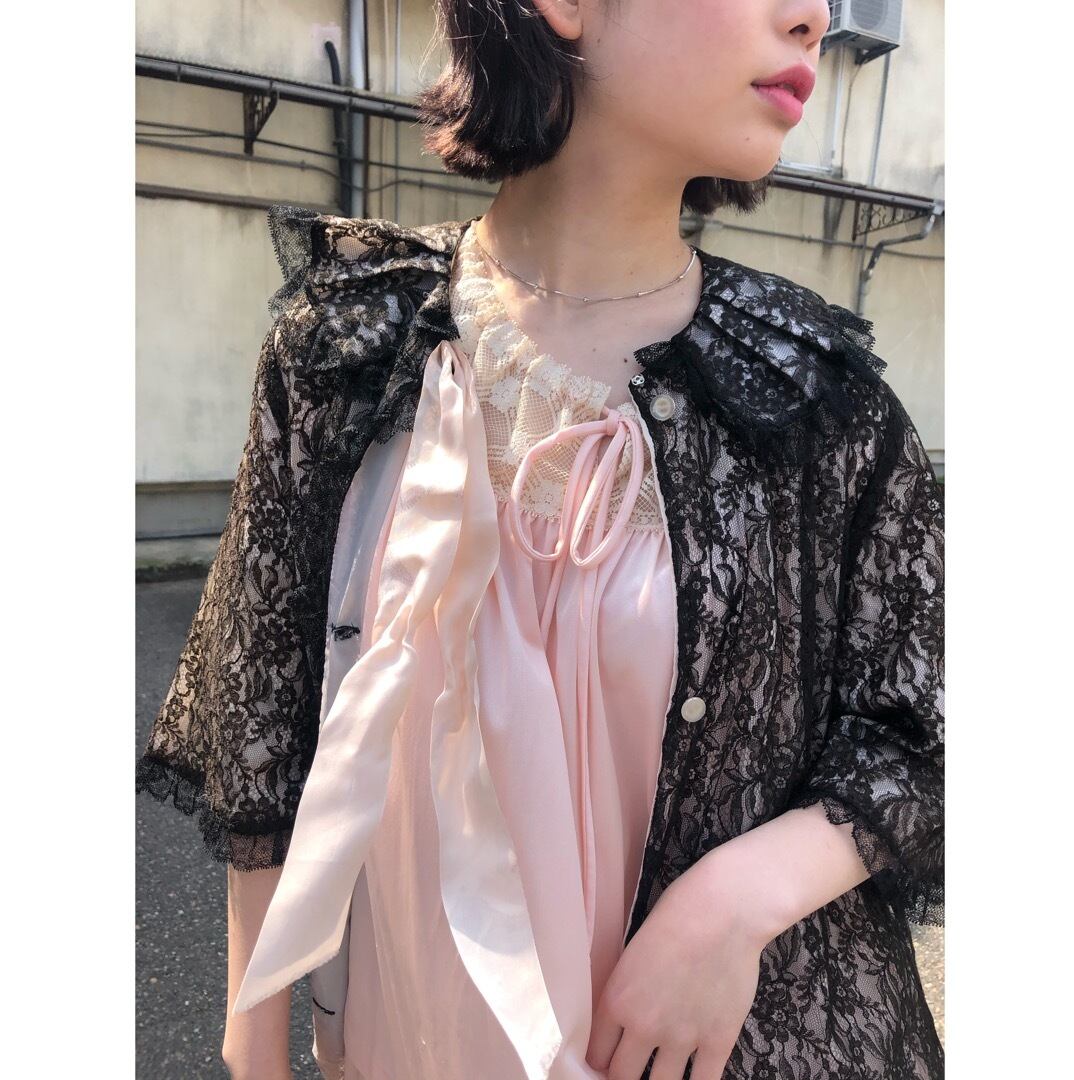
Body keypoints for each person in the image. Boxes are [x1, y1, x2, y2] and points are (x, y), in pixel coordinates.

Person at [136, 2, 945, 1079]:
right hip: (409, 1035)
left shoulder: (811, 397)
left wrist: (739, 898)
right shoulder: (348, 341)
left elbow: (929, 724)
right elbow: (263, 720)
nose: (815, 16)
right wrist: (252, 1046)